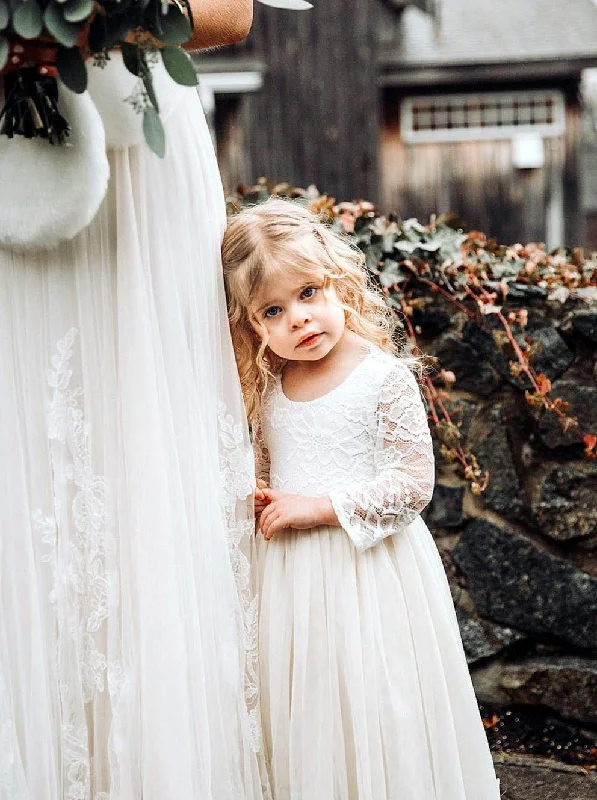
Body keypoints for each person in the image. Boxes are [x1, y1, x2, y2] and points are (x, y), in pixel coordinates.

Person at [0, 3, 268, 799]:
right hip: (17, 154)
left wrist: (71, 31)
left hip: (141, 173)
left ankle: (159, 759)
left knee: (145, 422)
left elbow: (229, 12)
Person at [222, 198, 501, 800]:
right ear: (252, 324)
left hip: (369, 579)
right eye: (274, 309)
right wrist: (266, 495)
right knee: (307, 704)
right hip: (292, 585)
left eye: (308, 294)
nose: (299, 318)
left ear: (337, 283)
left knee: (372, 705)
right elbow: (271, 471)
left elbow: (412, 485)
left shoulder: (383, 378)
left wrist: (316, 507)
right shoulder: (269, 386)